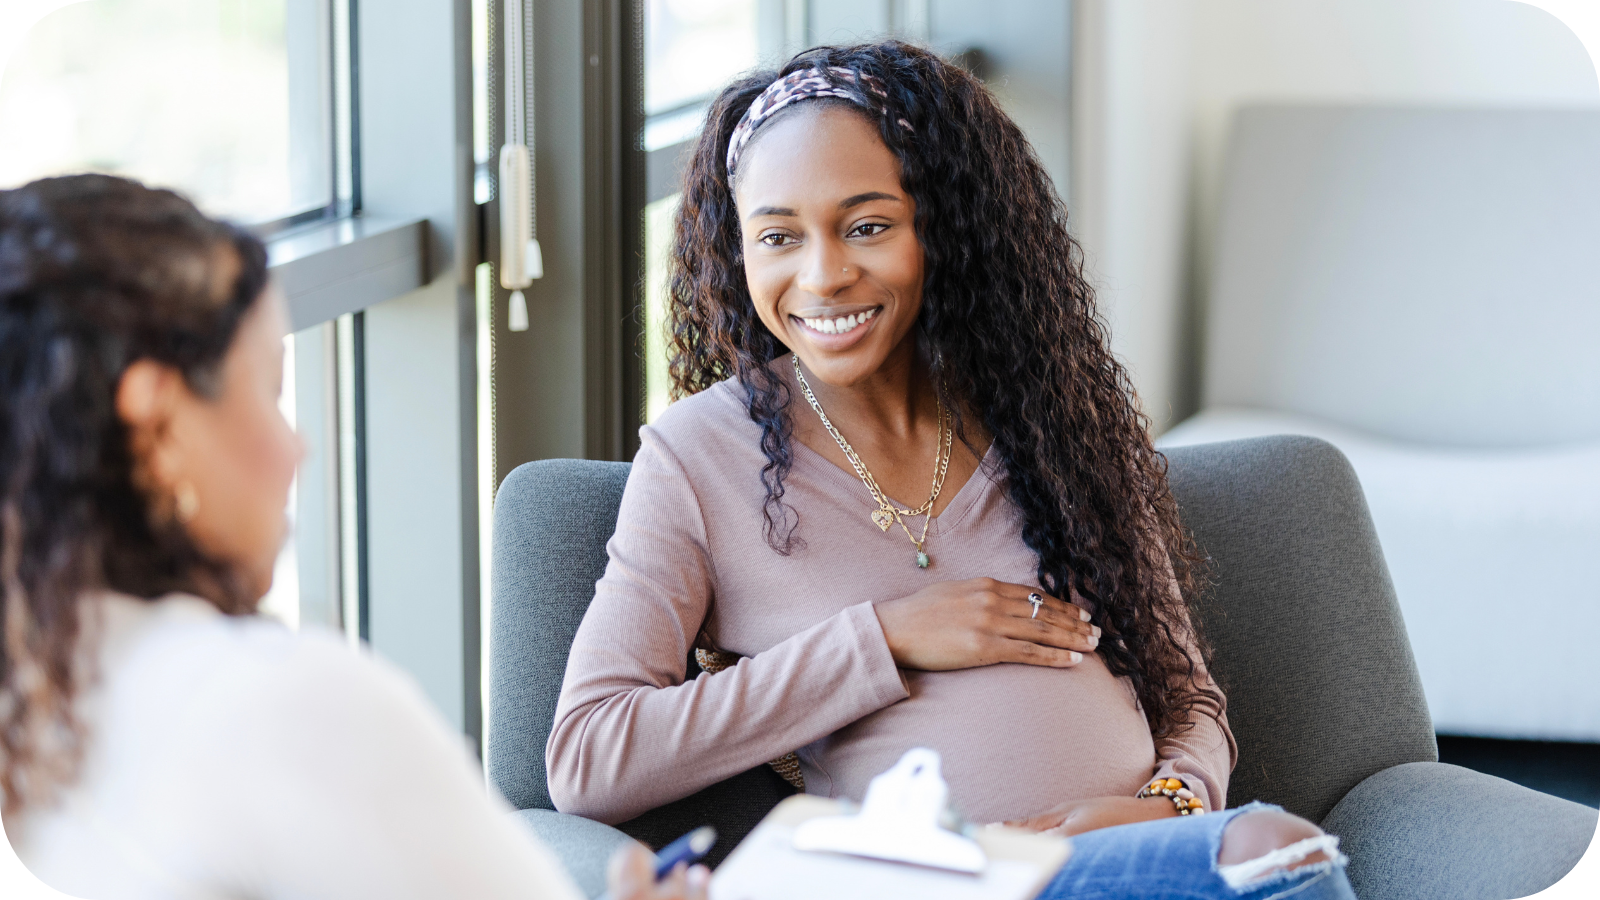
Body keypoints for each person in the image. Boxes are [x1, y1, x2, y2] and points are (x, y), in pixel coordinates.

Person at [546, 42, 1358, 898]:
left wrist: (1168, 802)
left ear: (943, 227)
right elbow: (591, 755)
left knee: (1274, 853)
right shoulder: (696, 458)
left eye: (868, 226)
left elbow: (1189, 697)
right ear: (735, 248)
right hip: (927, 877)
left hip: (1139, 862)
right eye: (778, 236)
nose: (823, 275)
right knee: (1279, 850)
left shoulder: (1055, 423)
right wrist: (884, 636)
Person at [0, 174, 706, 900]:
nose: (295, 448)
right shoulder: (287, 710)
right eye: (267, 394)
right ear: (159, 419)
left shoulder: (38, 705)